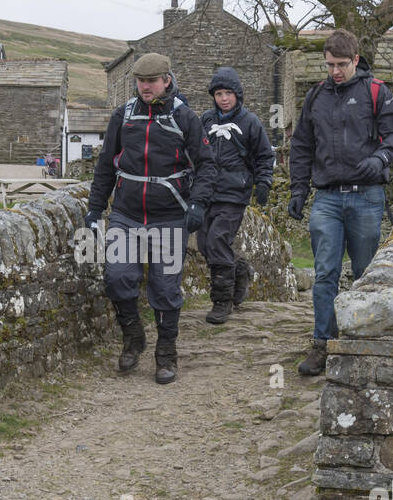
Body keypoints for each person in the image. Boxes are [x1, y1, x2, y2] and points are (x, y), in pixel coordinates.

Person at [86, 53, 215, 384]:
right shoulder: (123, 116)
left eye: (152, 81)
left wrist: (198, 204)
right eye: (141, 82)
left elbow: (206, 165)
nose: (146, 87)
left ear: (166, 80)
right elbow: (104, 165)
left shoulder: (185, 118)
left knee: (166, 287)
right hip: (126, 215)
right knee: (116, 278)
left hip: (170, 216)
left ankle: (166, 354)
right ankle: (133, 338)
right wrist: (94, 209)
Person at [288, 29, 393, 376]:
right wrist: (298, 189)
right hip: (326, 197)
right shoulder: (315, 96)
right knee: (325, 272)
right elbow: (302, 146)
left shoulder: (376, 92)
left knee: (366, 271)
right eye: (329, 65)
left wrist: (381, 159)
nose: (335, 71)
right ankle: (322, 343)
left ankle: (362, 339)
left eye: (341, 64)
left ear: (356, 60)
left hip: (367, 197)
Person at [197, 66, 274, 324]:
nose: (224, 98)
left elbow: (265, 155)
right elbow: (194, 152)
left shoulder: (250, 122)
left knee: (218, 239)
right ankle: (240, 269)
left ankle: (222, 302)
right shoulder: (206, 120)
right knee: (204, 243)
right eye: (219, 93)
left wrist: (263, 183)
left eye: (228, 93)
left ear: (238, 95)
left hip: (234, 192)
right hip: (207, 192)